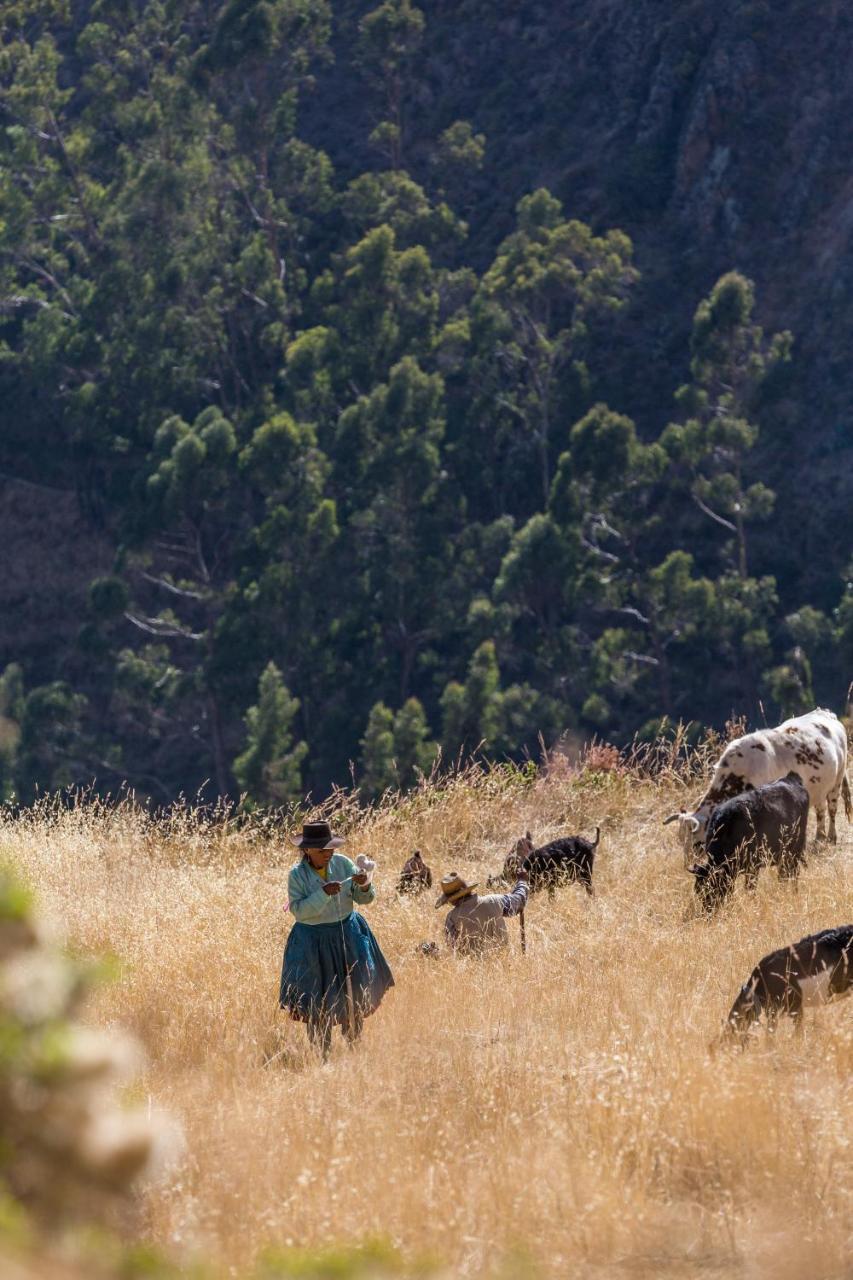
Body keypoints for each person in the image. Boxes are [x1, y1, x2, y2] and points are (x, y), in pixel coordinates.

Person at [279, 820, 394, 1057]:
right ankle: (322, 1054)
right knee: (316, 997)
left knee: (353, 991)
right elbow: (299, 912)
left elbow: (364, 900)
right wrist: (323, 894)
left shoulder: (343, 864)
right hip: (312, 942)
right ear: (307, 851)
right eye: (321, 851)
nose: (327, 855)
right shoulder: (297, 876)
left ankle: (354, 1046)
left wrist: (364, 887)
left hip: (346, 935)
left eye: (330, 849)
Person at [434, 869, 528, 955]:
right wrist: (522, 881)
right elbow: (519, 901)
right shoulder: (495, 901)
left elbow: (452, 949)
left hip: (471, 970)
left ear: (452, 899)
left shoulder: (451, 918)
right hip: (504, 964)